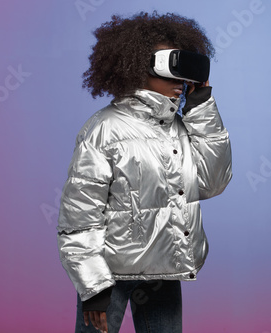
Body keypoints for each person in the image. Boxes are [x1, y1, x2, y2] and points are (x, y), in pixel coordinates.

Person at [57, 11, 232, 333]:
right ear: (138, 66)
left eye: (185, 74)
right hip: (111, 271)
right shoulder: (104, 129)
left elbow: (211, 184)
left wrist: (201, 108)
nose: (180, 83)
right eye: (171, 71)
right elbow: (79, 217)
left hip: (165, 264)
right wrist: (93, 285)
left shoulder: (180, 127)